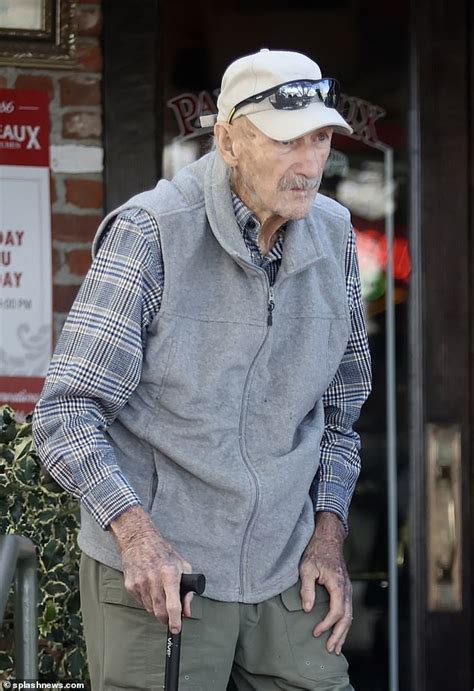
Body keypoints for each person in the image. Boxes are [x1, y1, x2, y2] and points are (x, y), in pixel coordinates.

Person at [33, 48, 371, 690]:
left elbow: (339, 416)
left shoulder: (336, 237)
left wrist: (328, 533)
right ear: (227, 140)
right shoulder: (151, 232)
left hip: (285, 562)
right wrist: (135, 536)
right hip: (164, 568)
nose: (308, 164)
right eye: (284, 140)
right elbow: (66, 414)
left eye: (321, 138)